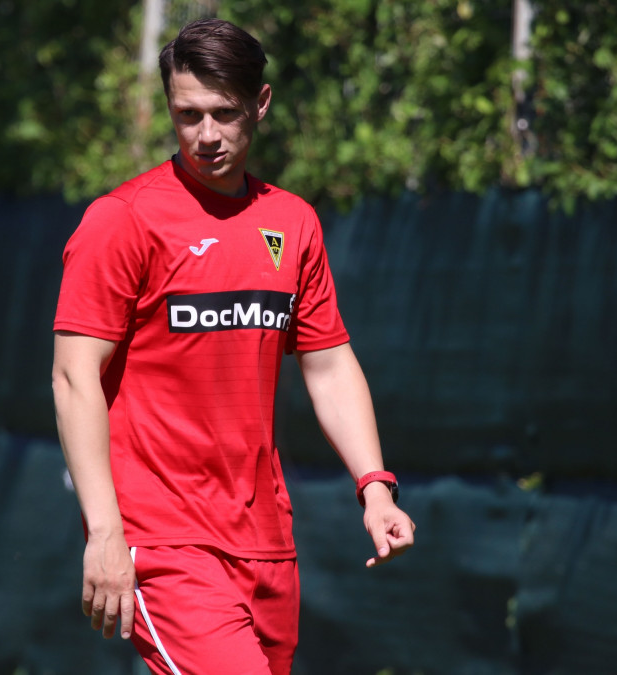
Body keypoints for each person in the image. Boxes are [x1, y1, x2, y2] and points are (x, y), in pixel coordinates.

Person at [51, 17, 415, 675]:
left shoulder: (292, 222)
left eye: (225, 113)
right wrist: (104, 531)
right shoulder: (123, 220)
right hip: (163, 537)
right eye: (188, 115)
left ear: (261, 103)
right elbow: (75, 376)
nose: (207, 135)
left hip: (266, 540)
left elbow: (329, 366)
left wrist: (375, 487)